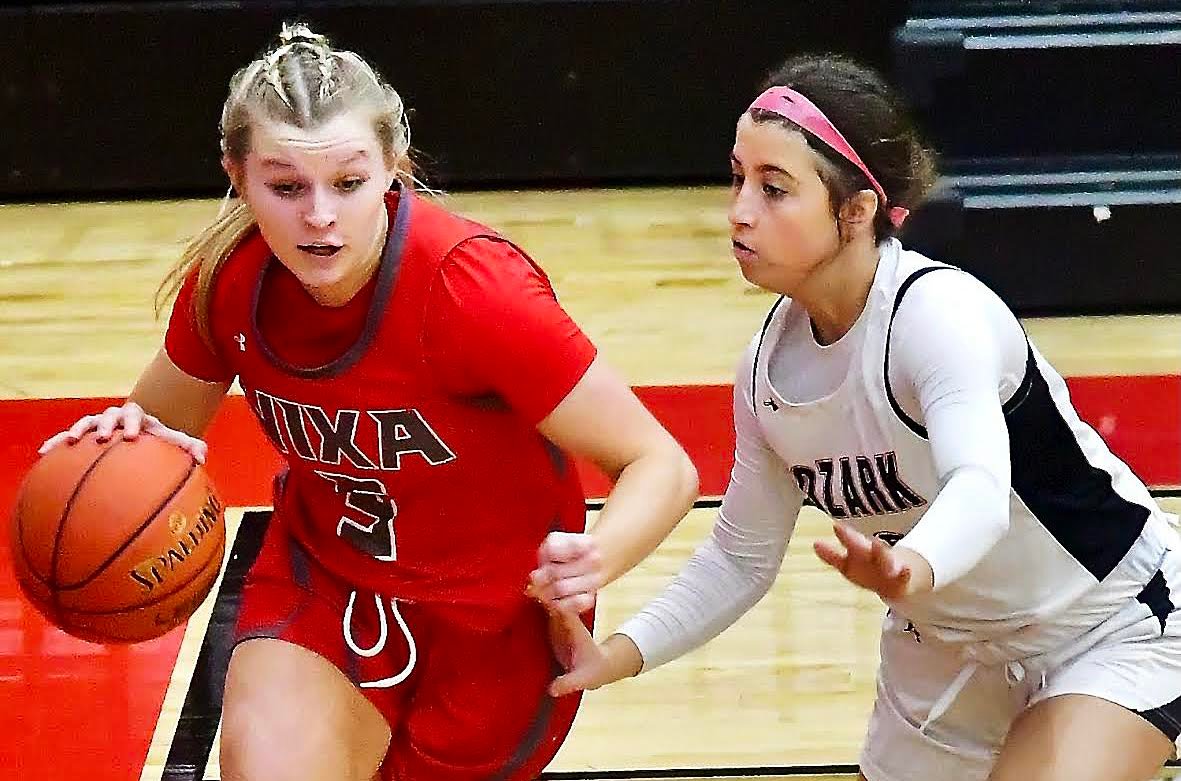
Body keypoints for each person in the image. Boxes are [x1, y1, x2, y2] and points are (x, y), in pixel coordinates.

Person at [37, 22, 698, 781]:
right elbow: (156, 431)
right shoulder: (230, 280)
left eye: (347, 183)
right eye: (285, 186)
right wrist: (126, 443)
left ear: (392, 166)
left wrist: (595, 557)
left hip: (493, 621)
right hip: (327, 580)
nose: (319, 215)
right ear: (236, 175)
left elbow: (660, 463)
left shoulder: (472, 289)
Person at [546, 53, 1181, 781]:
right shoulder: (766, 369)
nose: (738, 211)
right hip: (943, 647)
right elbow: (739, 557)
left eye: (773, 188)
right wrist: (619, 654)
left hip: (1105, 622)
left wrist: (910, 563)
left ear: (855, 211)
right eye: (737, 178)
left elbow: (979, 490)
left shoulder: (936, 315)